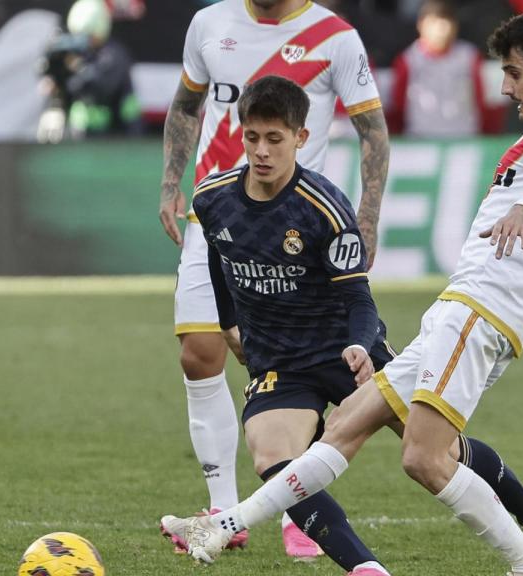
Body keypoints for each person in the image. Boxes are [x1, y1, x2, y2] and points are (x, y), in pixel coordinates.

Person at [163, 11, 523, 576]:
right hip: (463, 311)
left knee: (424, 458)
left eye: (513, 72)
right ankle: (220, 526)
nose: (504, 87)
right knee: (346, 424)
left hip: (479, 310)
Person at [166, 74, 523, 576]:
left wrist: (363, 345)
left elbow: (358, 298)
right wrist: (230, 324)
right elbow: (219, 258)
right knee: (274, 458)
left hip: (346, 351)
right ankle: (368, 570)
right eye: (252, 137)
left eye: (274, 139)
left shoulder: (323, 207)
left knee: (440, 450)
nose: (261, 151)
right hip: (279, 362)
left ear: (300, 138)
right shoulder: (214, 198)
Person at [159, 0, 391, 560]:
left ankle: (296, 500)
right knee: (199, 350)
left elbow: (372, 131)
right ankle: (224, 512)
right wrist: (171, 182)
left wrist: (367, 216)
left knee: (290, 364)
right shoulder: (209, 23)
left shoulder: (334, 36)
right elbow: (186, 105)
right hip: (217, 216)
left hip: (298, 230)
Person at [388, 0, 501, 136]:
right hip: (420, 141)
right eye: (435, 23)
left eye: (446, 22)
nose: (441, 30)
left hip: (464, 140)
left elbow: (481, 102)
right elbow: (398, 106)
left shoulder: (469, 56)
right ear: (421, 25)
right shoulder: (408, 60)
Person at [37, 0, 142, 142]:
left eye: (88, 37)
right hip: (79, 138)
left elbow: (98, 87)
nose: (83, 43)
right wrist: (55, 82)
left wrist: (74, 67)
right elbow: (47, 73)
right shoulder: (73, 54)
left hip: (117, 136)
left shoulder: (113, 55)